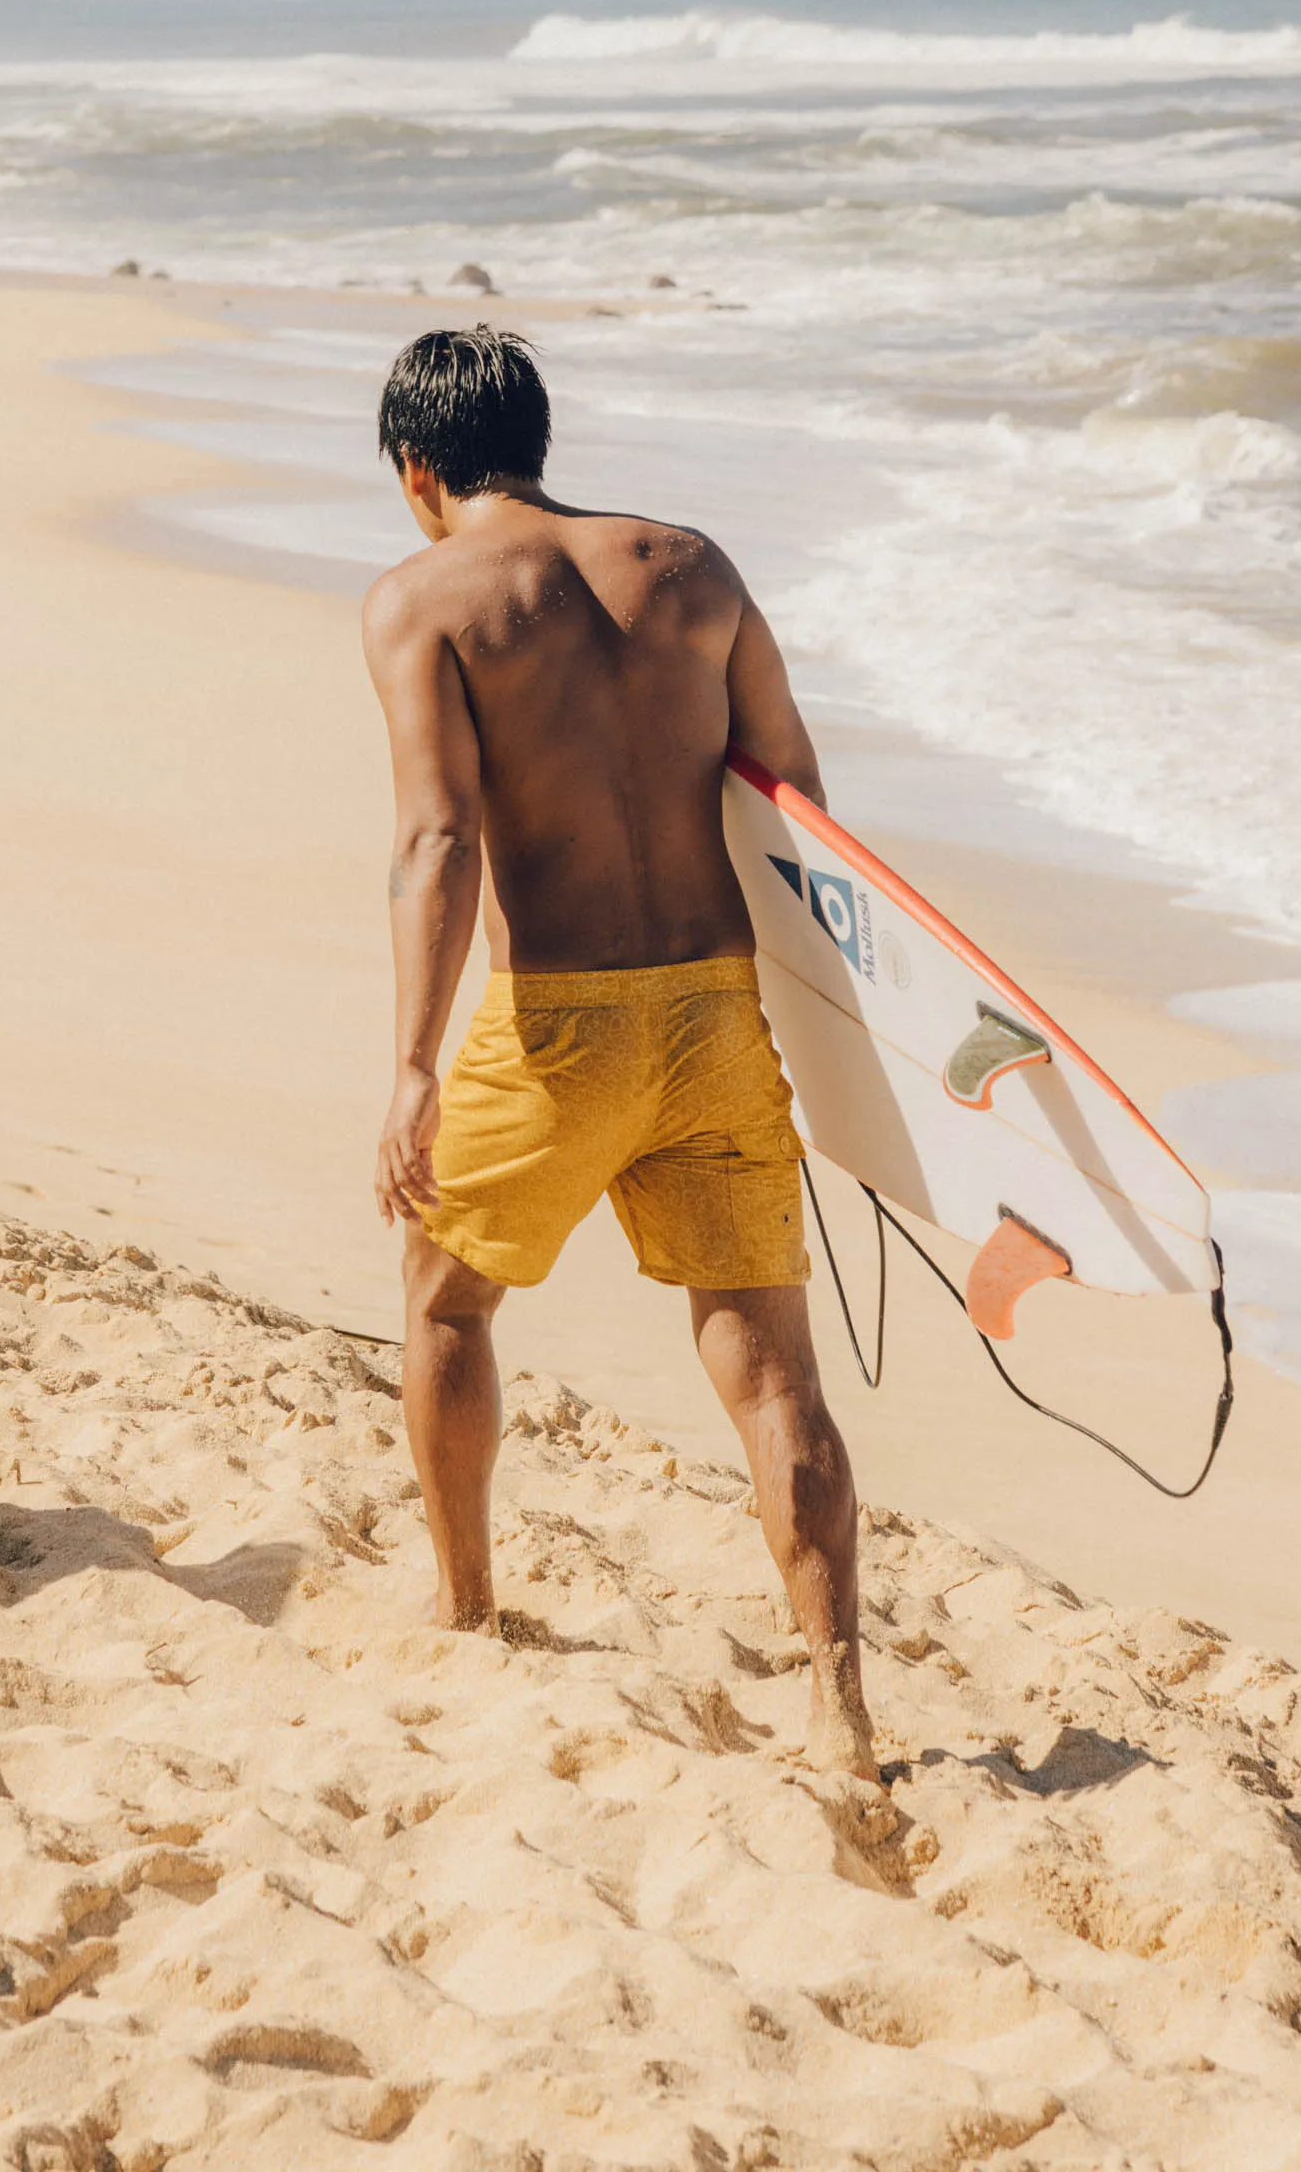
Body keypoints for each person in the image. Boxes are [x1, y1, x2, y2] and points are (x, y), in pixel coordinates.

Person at [361, 323, 876, 1777]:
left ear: (419, 471)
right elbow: (795, 794)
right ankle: (837, 1699)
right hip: (717, 1008)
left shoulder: (425, 599)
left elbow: (439, 836)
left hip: (557, 1029)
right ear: (534, 439)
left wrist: (411, 1063)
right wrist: (835, 1028)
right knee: (776, 1371)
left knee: (447, 1302)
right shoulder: (694, 569)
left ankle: (465, 1608)